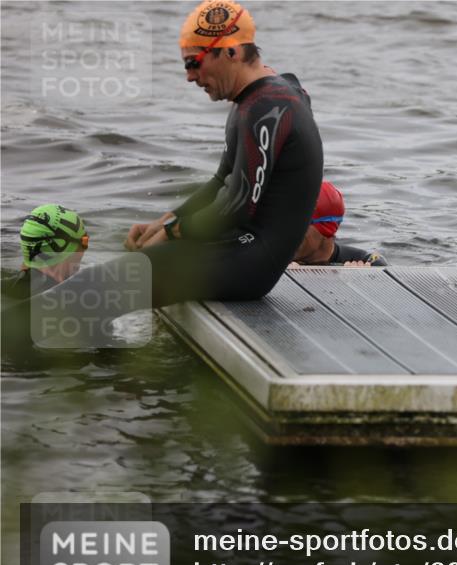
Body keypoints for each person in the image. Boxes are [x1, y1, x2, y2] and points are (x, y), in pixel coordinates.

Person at [8, 0, 323, 341]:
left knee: (93, 290)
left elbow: (237, 204)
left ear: (231, 52)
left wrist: (175, 233)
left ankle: (18, 355)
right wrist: (166, 221)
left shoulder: (266, 107)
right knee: (100, 283)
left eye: (194, 63)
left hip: (251, 262)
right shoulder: (268, 93)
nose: (189, 76)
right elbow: (222, 180)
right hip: (239, 248)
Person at [2, 205, 89, 300]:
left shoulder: (6, 287)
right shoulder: (66, 299)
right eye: (85, 241)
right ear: (63, 248)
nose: (84, 249)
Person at [292, 182, 388, 267]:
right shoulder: (278, 258)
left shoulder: (366, 263)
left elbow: (379, 264)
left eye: (297, 224)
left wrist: (358, 280)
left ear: (326, 228)